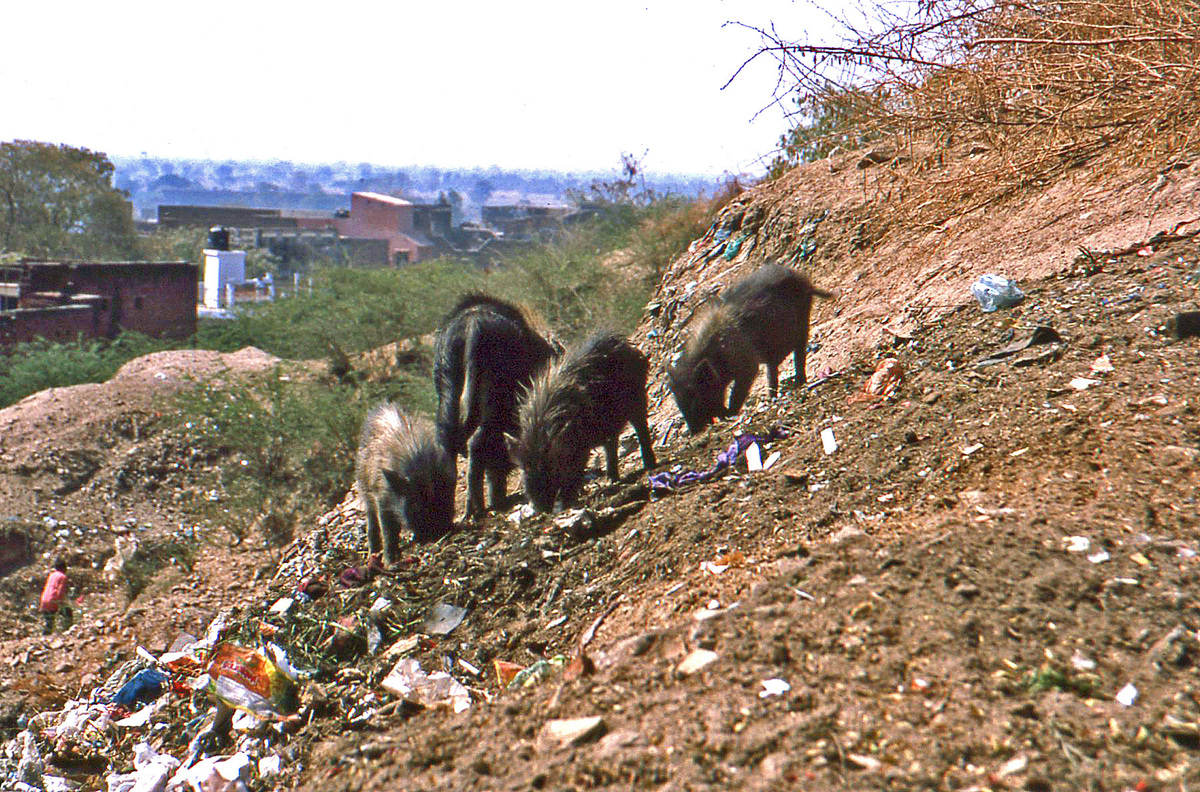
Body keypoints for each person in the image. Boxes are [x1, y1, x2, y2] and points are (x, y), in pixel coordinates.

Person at [39, 558, 69, 634]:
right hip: (52, 601)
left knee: (48, 622)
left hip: (44, 600)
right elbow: (60, 592)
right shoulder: (62, 577)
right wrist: (61, 603)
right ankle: (67, 631)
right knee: (67, 614)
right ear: (64, 568)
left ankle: (44, 637)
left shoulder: (51, 575)